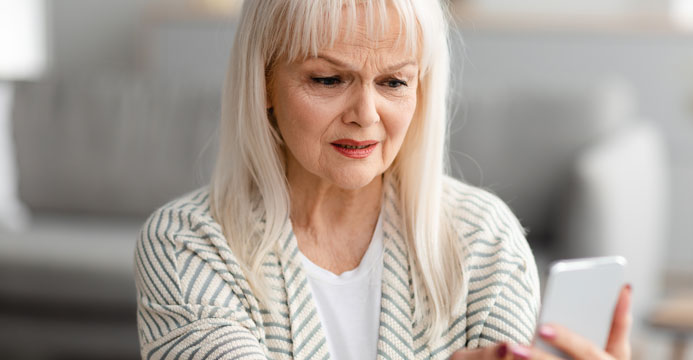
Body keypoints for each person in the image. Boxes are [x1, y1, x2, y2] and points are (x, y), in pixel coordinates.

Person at [133, 0, 632, 359]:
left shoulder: (483, 241)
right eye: (327, 80)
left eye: (394, 82)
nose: (366, 115)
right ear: (264, 81)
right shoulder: (185, 248)